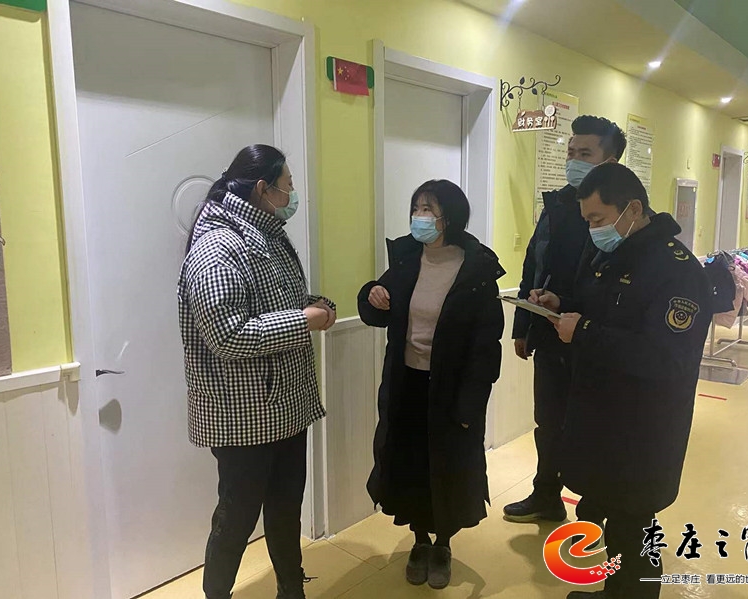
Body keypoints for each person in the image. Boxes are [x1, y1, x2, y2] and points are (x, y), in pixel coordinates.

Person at [533, 163, 712, 599]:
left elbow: (665, 358)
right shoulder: (617, 254)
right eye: (587, 220)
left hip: (644, 427)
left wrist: (584, 331)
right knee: (616, 519)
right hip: (605, 417)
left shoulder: (677, 271)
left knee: (634, 527)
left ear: (632, 209)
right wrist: (562, 303)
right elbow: (606, 310)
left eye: (597, 218)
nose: (593, 229)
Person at [178, 145, 337, 599]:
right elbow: (227, 335)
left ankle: (291, 589)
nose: (293, 194)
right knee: (236, 519)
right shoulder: (218, 246)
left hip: (286, 406)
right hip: (243, 416)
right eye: (288, 185)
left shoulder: (268, 235)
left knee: (286, 509)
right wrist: (303, 321)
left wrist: (316, 306)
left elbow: (278, 303)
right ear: (263, 188)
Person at [357, 180, 505, 590]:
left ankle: (443, 544)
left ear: (449, 218)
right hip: (407, 384)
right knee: (410, 464)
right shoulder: (407, 258)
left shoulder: (476, 269)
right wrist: (372, 294)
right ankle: (420, 539)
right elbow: (376, 309)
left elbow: (485, 346)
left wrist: (470, 405)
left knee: (448, 466)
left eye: (429, 209)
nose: (419, 217)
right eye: (416, 207)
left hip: (451, 390)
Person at [504, 116, 627, 526]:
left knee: (592, 426)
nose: (573, 161)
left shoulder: (621, 217)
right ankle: (546, 495)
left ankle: (594, 511)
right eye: (571, 152)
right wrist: (523, 326)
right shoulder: (557, 204)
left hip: (595, 340)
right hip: (549, 330)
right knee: (548, 422)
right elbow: (533, 263)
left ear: (609, 162)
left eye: (585, 154)